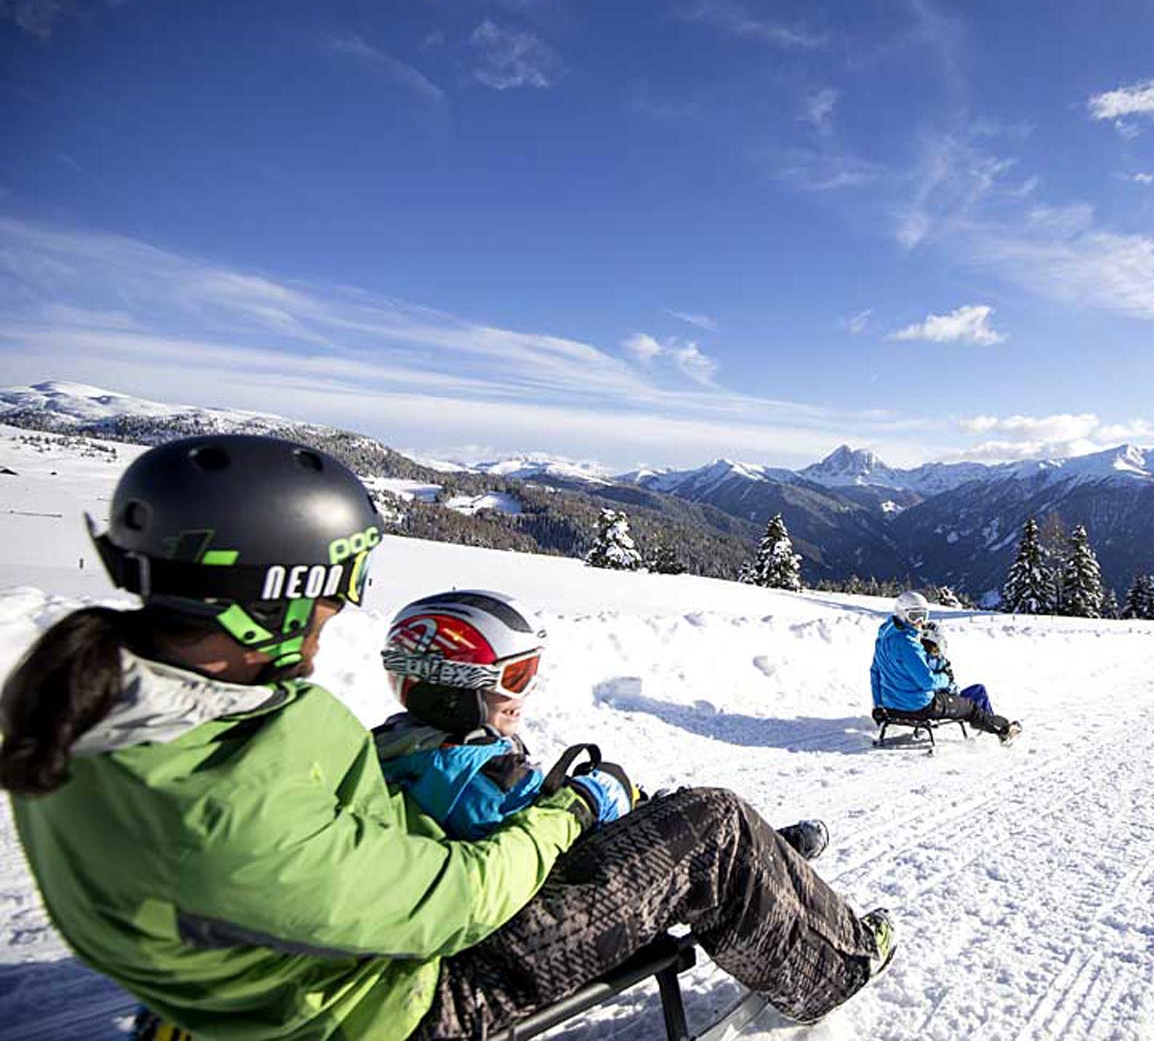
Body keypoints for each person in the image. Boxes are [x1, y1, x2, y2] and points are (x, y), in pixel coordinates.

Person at [0, 434, 892, 1041]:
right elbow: (459, 900)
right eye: (329, 589)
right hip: (413, 1000)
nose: (335, 614)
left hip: (271, 981)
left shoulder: (83, 717)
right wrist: (570, 813)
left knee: (662, 837)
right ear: (266, 591)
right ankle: (840, 961)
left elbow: (351, 829)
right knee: (713, 824)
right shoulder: (219, 810)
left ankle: (757, 871)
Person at [371, 587, 829, 854]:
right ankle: (742, 854)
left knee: (651, 801)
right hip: (569, 897)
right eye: (515, 676)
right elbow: (533, 841)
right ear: (453, 685)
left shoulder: (410, 748)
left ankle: (744, 843)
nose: (525, 694)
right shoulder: (468, 778)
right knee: (691, 813)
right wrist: (598, 794)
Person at [870, 590, 1021, 742]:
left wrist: (879, 705)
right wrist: (945, 678)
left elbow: (875, 672)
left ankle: (995, 726)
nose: (920, 621)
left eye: (924, 615)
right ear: (902, 614)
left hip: (892, 707)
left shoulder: (883, 639)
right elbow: (927, 682)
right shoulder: (908, 644)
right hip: (920, 707)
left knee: (963, 700)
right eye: (914, 616)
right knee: (970, 707)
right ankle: (1003, 731)